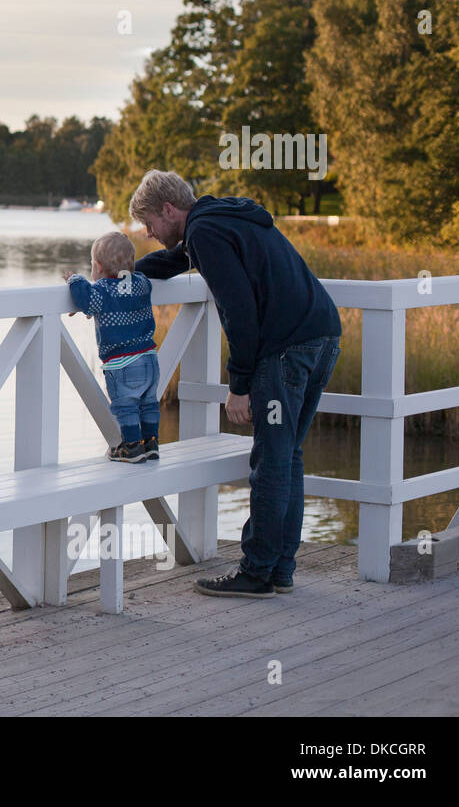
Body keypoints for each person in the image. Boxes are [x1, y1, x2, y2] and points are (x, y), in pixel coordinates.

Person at [129, 169, 341, 598]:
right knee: (287, 456)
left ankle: (257, 571)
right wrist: (116, 277)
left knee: (271, 461)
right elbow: (172, 261)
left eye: (149, 223)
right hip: (322, 334)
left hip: (285, 347)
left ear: (169, 209)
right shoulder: (219, 219)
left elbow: (239, 310)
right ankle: (279, 569)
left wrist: (239, 384)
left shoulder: (206, 231)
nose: (149, 233)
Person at [63, 231, 160, 464]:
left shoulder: (103, 290)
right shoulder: (141, 284)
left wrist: (74, 279)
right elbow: (132, 286)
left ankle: (131, 448)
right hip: (149, 358)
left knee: (125, 406)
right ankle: (151, 443)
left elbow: (85, 300)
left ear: (97, 266)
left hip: (122, 363)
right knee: (148, 403)